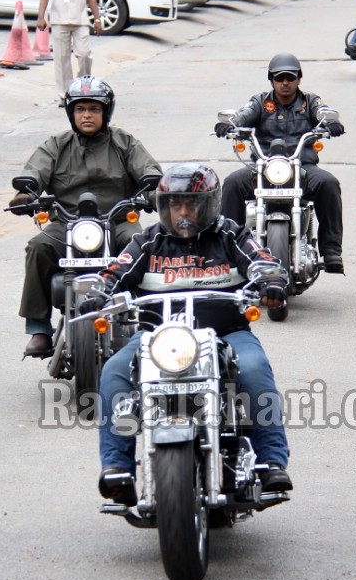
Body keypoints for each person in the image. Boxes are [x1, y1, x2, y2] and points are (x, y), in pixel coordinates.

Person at [92, 163, 293, 505]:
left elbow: (262, 261)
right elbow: (113, 272)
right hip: (156, 340)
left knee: (255, 369)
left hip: (227, 332)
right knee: (113, 371)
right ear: (164, 206)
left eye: (191, 204)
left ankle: (271, 461)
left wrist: (271, 280)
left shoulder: (231, 235)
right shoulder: (148, 240)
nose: (183, 212)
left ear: (209, 205)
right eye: (175, 204)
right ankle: (117, 469)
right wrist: (98, 293)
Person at [7, 76, 161, 358]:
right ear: (71, 113)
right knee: (38, 246)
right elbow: (34, 171)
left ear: (106, 112)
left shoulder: (124, 142)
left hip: (116, 221)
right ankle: (39, 328)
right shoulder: (56, 145)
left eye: (94, 109)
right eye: (80, 109)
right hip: (66, 224)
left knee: (139, 245)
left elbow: (149, 172)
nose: (87, 115)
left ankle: (148, 320)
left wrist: (155, 192)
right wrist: (27, 193)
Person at [214, 53, 347, 273]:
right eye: (279, 78)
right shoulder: (260, 102)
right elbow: (243, 115)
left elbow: (322, 112)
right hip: (264, 168)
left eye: (290, 77)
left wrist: (331, 123)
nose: (285, 82)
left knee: (329, 184)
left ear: (298, 79)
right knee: (231, 184)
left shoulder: (310, 101)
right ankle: (228, 249)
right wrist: (232, 124)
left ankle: (332, 251)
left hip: (302, 167)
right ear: (271, 80)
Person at [37, 0, 103, 107]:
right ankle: (65, 96)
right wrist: (41, 17)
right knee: (62, 59)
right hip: (59, 21)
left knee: (84, 55)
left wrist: (97, 19)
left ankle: (83, 90)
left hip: (80, 21)